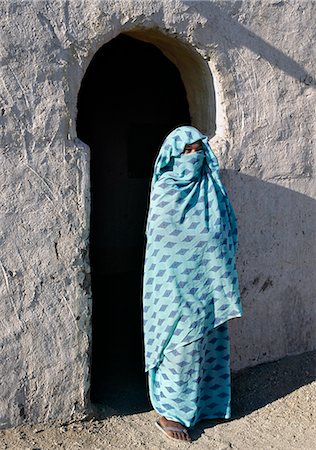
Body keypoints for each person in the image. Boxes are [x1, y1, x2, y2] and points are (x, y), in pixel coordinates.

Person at [142, 126, 242, 442]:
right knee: (179, 348)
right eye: (187, 151)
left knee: (208, 345)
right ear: (173, 155)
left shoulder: (213, 190)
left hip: (210, 284)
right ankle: (171, 412)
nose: (193, 156)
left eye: (199, 150)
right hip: (173, 287)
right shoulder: (166, 190)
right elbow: (160, 243)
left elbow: (227, 233)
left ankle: (204, 406)